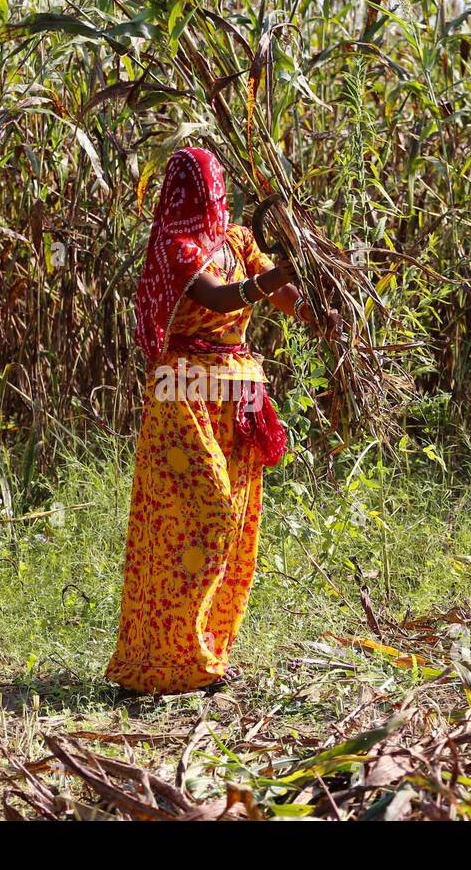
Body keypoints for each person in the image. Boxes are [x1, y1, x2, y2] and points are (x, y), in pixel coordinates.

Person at [105, 146, 338, 694]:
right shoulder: (177, 246)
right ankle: (161, 658)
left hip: (235, 396)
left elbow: (278, 291)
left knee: (236, 524)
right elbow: (218, 298)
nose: (213, 196)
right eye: (205, 187)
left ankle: (201, 660)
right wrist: (272, 276)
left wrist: (314, 309)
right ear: (185, 192)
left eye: (217, 185)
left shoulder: (237, 240)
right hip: (183, 396)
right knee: (203, 517)